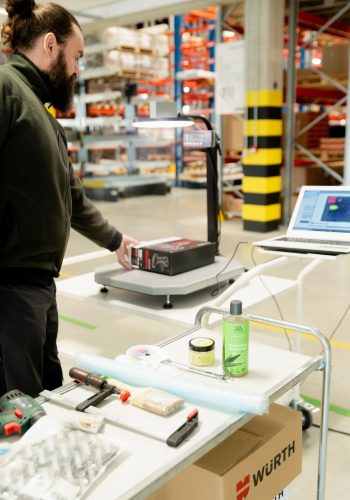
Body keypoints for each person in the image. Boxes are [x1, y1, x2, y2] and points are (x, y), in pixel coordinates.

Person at [0, 0, 138, 397]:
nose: (78, 69)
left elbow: (69, 194)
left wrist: (115, 240)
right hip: (10, 291)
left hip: (38, 285)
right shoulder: (7, 91)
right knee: (19, 410)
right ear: (50, 45)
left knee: (48, 395)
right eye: (76, 55)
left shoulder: (40, 110)